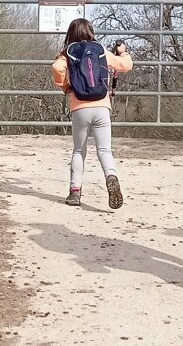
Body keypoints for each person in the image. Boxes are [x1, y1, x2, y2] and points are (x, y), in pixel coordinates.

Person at [52, 19, 133, 208]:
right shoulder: (100, 50)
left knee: (79, 150)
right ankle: (111, 176)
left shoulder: (68, 53)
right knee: (104, 150)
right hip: (102, 106)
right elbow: (126, 65)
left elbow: (57, 68)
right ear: (91, 32)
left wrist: (66, 86)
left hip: (80, 107)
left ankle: (74, 193)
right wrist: (122, 52)